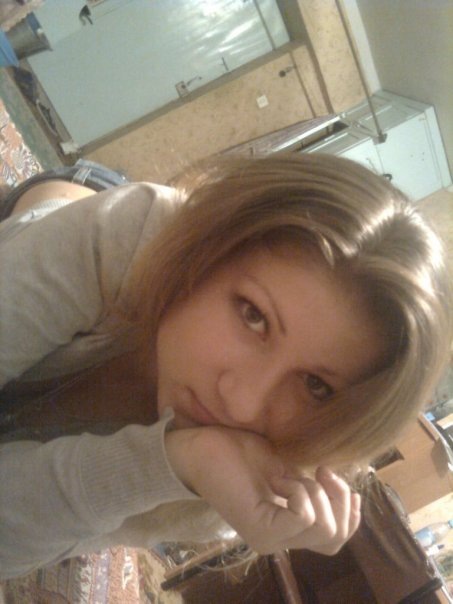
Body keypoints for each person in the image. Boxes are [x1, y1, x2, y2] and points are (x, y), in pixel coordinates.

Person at [0, 154, 451, 580]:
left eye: (315, 385)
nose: (241, 404)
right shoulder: (130, 235)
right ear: (206, 253)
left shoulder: (243, 475)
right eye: (254, 316)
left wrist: (173, 462)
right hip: (83, 203)